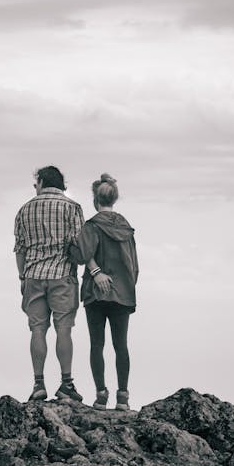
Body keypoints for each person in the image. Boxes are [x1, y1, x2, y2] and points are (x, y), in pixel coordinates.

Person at [14, 166, 85, 402]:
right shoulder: (72, 208)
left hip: (33, 274)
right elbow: (79, 244)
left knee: (37, 330)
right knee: (63, 329)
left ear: (42, 182)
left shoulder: (24, 210)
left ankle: (38, 384)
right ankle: (66, 384)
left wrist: (22, 277)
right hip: (62, 274)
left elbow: (20, 250)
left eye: (36, 183)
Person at [70, 174, 138, 411]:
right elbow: (134, 266)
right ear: (114, 198)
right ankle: (123, 397)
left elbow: (79, 255)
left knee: (96, 344)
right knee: (121, 345)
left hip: (96, 294)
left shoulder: (92, 226)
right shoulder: (126, 228)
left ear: (95, 199)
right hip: (122, 293)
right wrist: (127, 287)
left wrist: (94, 269)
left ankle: (101, 395)